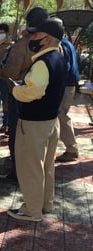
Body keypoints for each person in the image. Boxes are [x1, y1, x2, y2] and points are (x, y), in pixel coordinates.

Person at [7, 19, 66, 221]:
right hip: (50, 121)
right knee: (47, 166)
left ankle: (32, 210)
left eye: (34, 34)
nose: (31, 38)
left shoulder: (43, 62)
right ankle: (45, 204)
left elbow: (33, 91)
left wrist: (16, 90)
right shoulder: (57, 57)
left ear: (46, 38)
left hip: (34, 124)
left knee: (30, 167)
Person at [0, 7, 48, 184]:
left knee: (18, 136)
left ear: (28, 23)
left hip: (21, 99)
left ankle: (18, 173)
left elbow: (10, 73)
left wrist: (15, 91)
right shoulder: (54, 44)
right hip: (45, 101)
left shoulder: (22, 45)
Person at [53, 18, 80, 163]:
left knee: (61, 115)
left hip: (65, 85)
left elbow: (65, 67)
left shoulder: (62, 44)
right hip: (69, 84)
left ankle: (71, 149)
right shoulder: (67, 42)